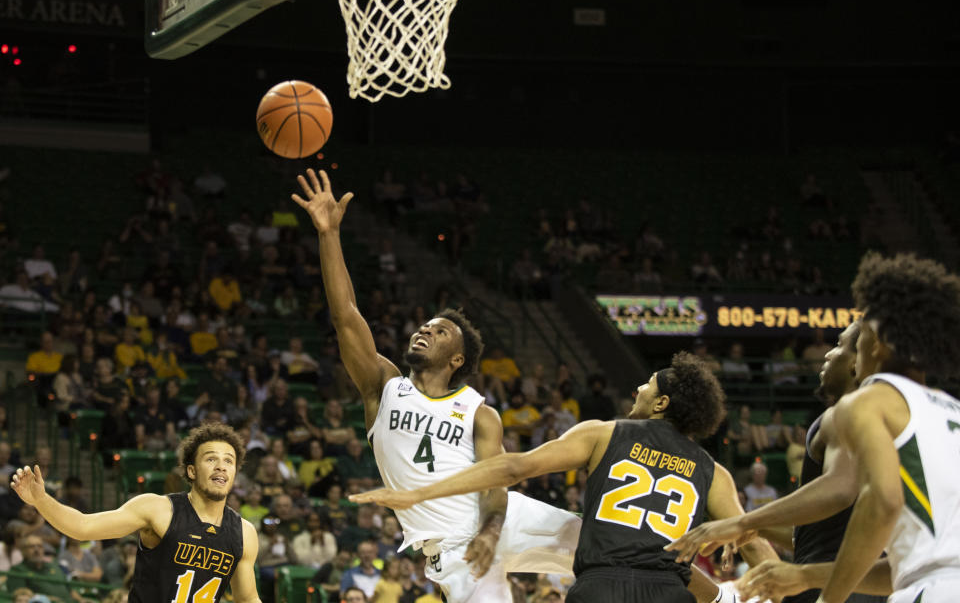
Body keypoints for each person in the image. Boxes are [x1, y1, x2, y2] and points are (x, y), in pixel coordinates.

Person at [292, 169, 582, 602]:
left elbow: (494, 484)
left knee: (617, 546)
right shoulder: (383, 386)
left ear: (457, 359)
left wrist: (490, 531)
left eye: (440, 331)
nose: (424, 330)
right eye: (424, 326)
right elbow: (346, 315)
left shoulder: (480, 412)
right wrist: (329, 234)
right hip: (453, 549)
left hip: (500, 519)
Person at [351, 351, 778, 603]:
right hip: (667, 591)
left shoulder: (604, 432)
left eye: (647, 386)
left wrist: (424, 492)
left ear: (662, 402)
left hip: (601, 586)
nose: (638, 390)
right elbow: (756, 542)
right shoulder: (713, 471)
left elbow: (514, 467)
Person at [736, 253, 960, 603]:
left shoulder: (868, 405)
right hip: (903, 577)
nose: (835, 353)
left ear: (878, 343)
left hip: (918, 588)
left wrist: (828, 595)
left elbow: (862, 495)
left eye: (851, 342)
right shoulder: (948, 411)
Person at [668, 320, 886, 603]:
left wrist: (745, 520)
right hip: (868, 584)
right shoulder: (884, 422)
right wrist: (755, 526)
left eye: (839, 345)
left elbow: (839, 490)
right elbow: (822, 533)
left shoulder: (842, 415)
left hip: (833, 587)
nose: (828, 354)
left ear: (857, 361)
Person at [9, 422, 262, 603]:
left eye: (229, 460)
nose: (221, 466)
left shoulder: (244, 533)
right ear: (192, 471)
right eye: (210, 459)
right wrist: (41, 500)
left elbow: (248, 597)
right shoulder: (158, 509)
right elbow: (82, 527)